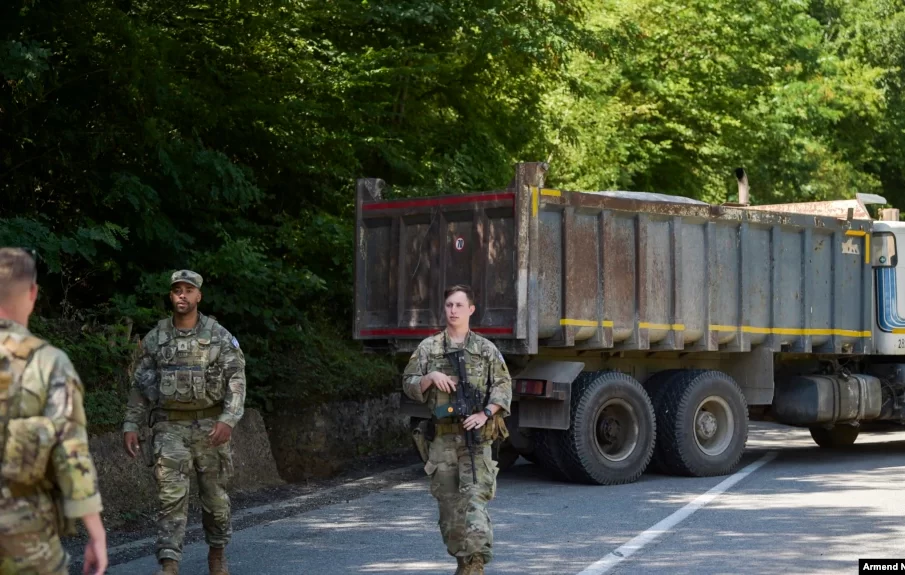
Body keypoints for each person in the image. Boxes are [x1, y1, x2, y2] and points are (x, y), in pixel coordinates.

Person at [122, 270, 246, 575]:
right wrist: (131, 425)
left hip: (210, 429)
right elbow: (140, 386)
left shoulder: (218, 336)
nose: (182, 295)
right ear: (171, 296)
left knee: (215, 500)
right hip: (169, 429)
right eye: (177, 290)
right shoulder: (157, 338)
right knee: (170, 499)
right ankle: (169, 564)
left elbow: (236, 380)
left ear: (198, 296)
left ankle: (217, 556)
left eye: (188, 290)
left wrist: (229, 419)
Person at [0, 247, 108, 575]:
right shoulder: (49, 363)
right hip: (24, 539)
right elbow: (70, 450)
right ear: (32, 292)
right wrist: (96, 533)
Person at [402, 284, 513, 575]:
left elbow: (503, 386)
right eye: (449, 305)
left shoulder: (485, 349)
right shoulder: (429, 348)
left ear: (471, 310)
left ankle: (475, 564)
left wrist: (485, 413)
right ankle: (463, 561)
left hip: (475, 438)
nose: (453, 311)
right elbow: (409, 383)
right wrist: (430, 377)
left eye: (459, 306)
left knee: (474, 501)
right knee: (450, 510)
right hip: (442, 440)